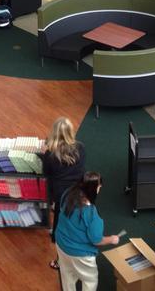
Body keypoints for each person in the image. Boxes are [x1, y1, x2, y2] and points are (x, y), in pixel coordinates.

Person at [55, 172, 119, 291]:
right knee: (90, 280)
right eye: (99, 186)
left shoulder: (68, 193)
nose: (100, 188)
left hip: (61, 245)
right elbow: (96, 240)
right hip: (80, 254)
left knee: (67, 275)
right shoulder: (91, 214)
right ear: (94, 189)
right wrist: (112, 239)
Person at [42, 117, 86, 270]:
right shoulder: (80, 148)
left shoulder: (50, 155)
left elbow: (46, 173)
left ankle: (61, 261)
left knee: (62, 229)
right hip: (79, 192)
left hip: (61, 195)